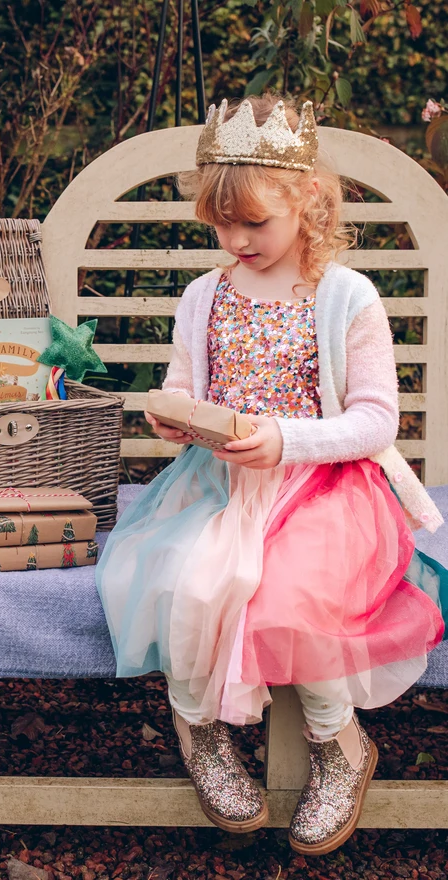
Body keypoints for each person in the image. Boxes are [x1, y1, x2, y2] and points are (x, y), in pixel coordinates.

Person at [96, 94, 447, 856]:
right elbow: (184, 384)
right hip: (218, 488)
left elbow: (376, 421)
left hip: (324, 490)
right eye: (220, 225)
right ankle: (200, 734)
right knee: (184, 582)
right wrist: (175, 415)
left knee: (289, 594)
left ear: (307, 201)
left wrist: (285, 439)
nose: (235, 239)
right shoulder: (203, 297)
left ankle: (338, 745)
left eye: (254, 222)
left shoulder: (346, 296)